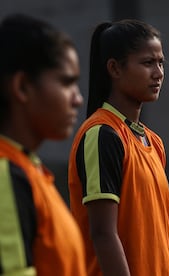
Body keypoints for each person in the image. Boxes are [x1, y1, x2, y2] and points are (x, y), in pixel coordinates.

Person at [68, 19, 169, 276]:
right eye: (148, 62)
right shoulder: (102, 134)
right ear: (115, 69)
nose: (159, 73)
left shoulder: (153, 142)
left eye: (161, 62)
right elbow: (103, 234)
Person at [0, 13, 86, 275]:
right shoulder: (6, 175)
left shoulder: (27, 169)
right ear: (23, 87)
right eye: (66, 82)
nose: (78, 99)